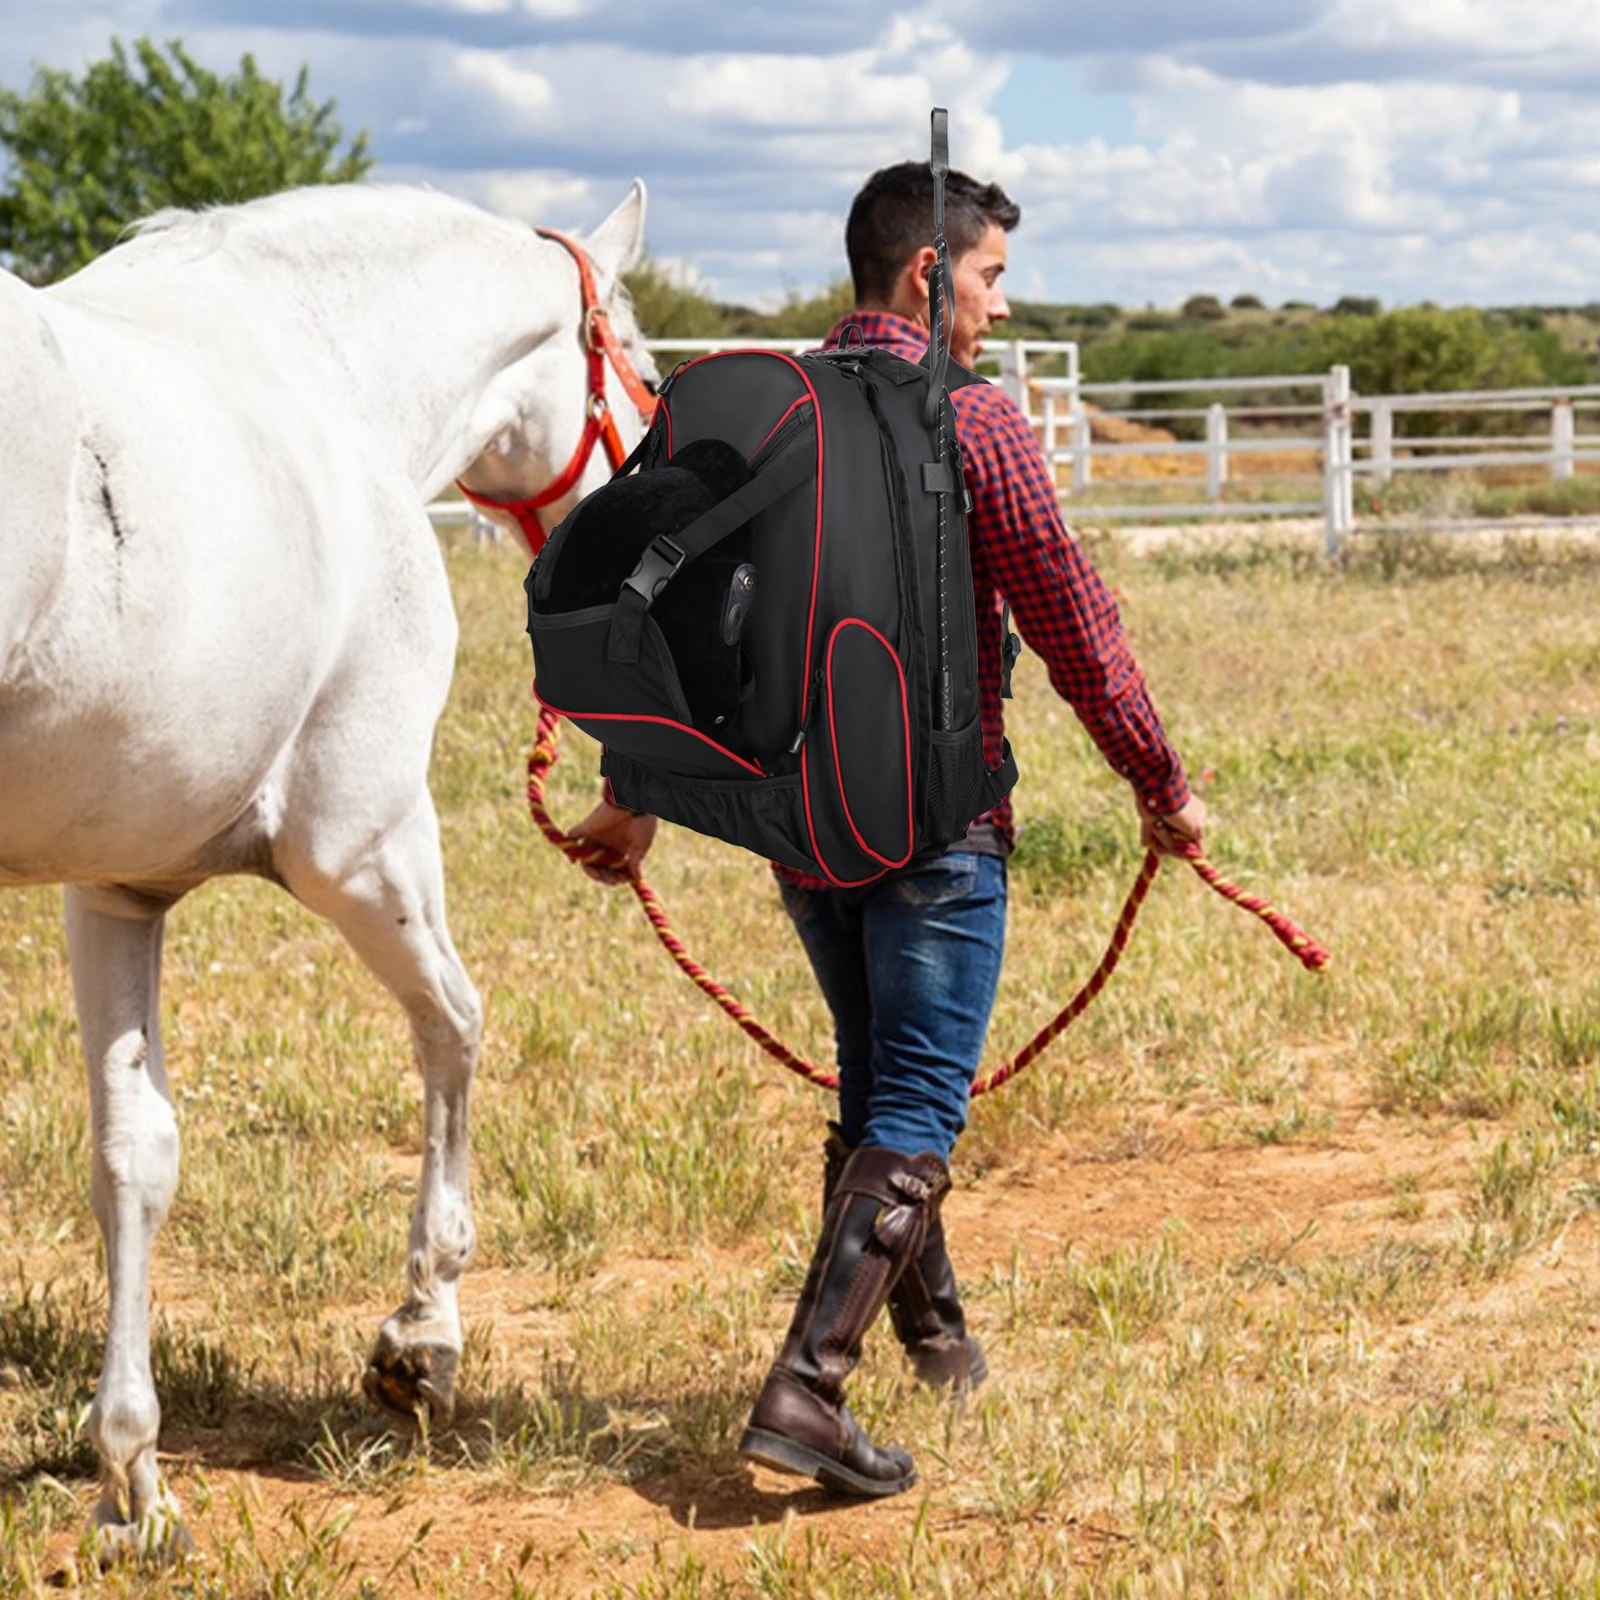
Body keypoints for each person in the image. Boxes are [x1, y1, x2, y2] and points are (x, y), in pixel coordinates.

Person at [570, 158, 1206, 1499]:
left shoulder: (768, 417)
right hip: (940, 826)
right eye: (989, 280)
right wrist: (1161, 783)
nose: (999, 312)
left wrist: (635, 801)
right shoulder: (973, 424)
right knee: (917, 1104)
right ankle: (807, 1394)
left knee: (878, 1089)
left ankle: (937, 1336)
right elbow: (1076, 624)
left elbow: (674, 624)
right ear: (928, 275)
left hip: (806, 825)